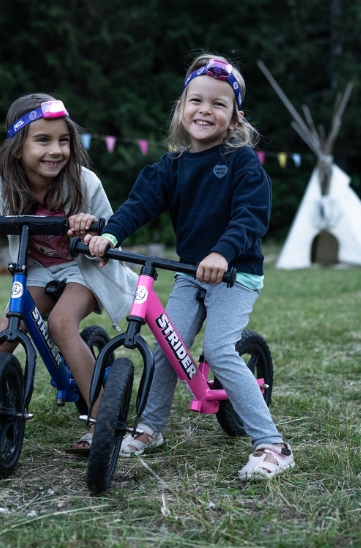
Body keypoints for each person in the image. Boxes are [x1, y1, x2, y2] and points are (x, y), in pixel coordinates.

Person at [84, 54, 295, 480]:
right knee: (166, 342)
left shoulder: (242, 164)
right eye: (196, 100)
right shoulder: (171, 167)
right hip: (189, 273)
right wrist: (110, 236)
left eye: (219, 104)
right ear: (181, 110)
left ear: (235, 118)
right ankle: (150, 428)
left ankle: (273, 444)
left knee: (218, 349)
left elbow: (249, 218)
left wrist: (222, 252)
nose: (205, 109)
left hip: (234, 274)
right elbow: (139, 206)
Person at [0, 93, 137, 453]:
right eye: (43, 140)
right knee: (6, 330)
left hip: (82, 270)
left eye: (63, 141)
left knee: (62, 323)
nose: (56, 150)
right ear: (18, 148)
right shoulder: (6, 187)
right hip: (36, 273)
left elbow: (110, 229)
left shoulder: (84, 181)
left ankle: (100, 419)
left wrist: (91, 229)